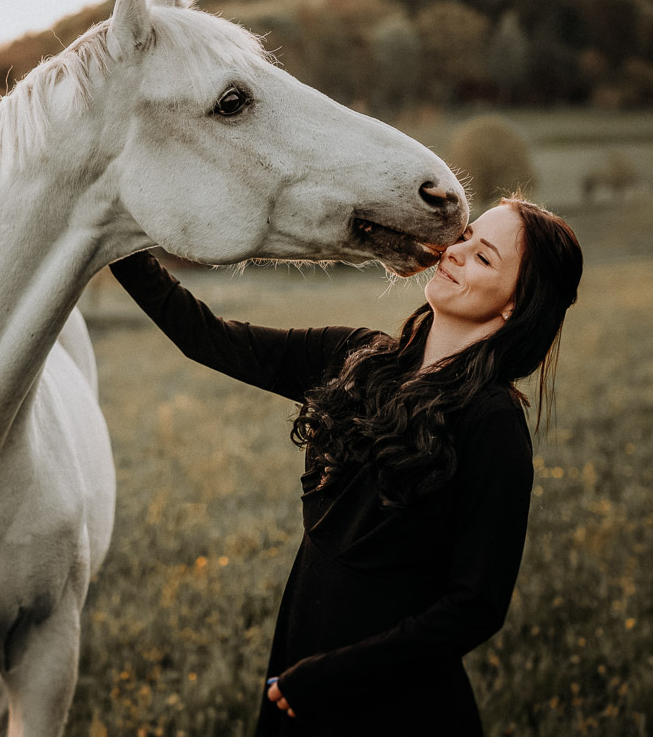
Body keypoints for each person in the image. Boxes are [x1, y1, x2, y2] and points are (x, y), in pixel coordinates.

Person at [109, 195, 583, 735]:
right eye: (466, 236)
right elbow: (205, 337)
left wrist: (332, 678)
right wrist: (111, 233)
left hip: (392, 701)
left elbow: (475, 607)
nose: (456, 252)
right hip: (298, 661)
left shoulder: (491, 423)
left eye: (483, 257)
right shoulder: (357, 359)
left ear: (515, 306)